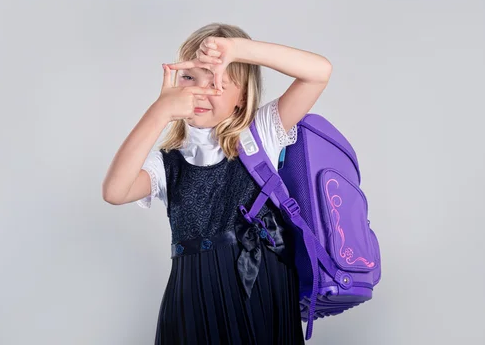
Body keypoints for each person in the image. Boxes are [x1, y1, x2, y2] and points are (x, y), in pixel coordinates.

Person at [102, 22, 332, 344]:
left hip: (258, 289)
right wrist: (159, 111)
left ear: (242, 97)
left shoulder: (260, 135)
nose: (199, 90)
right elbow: (115, 191)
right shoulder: (168, 162)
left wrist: (237, 50)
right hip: (191, 295)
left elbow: (318, 72)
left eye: (218, 80)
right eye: (190, 77)